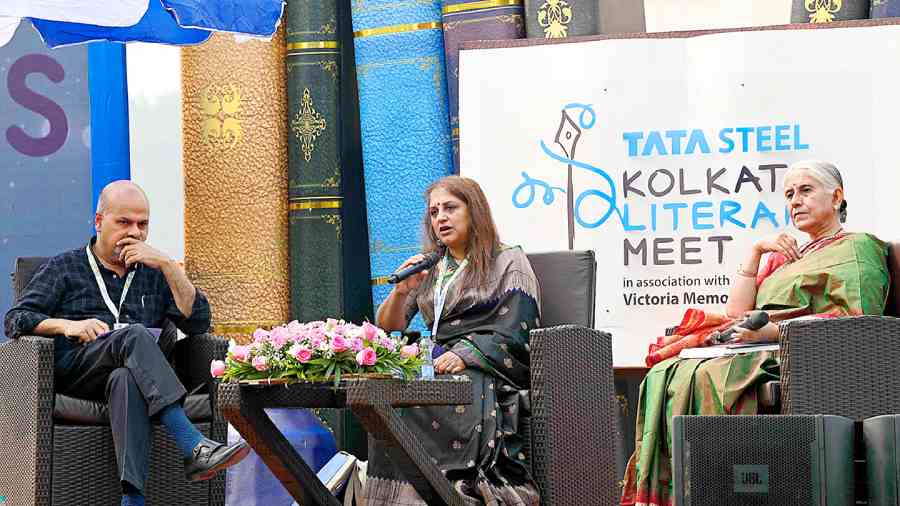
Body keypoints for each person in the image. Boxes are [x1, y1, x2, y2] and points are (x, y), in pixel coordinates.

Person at [621, 160, 891, 506]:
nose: (795, 201)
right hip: (757, 345)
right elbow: (736, 313)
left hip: (804, 358)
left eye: (805, 191)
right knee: (666, 372)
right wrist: (756, 252)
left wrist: (772, 332)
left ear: (837, 196)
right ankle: (683, 495)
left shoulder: (857, 249)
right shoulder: (787, 256)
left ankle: (722, 492)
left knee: (710, 376)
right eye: (789, 194)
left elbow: (857, 323)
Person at [3, 181, 249, 506]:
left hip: (134, 380)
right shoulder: (66, 267)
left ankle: (133, 500)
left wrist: (166, 266)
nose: (134, 232)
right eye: (124, 222)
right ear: (99, 221)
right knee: (132, 335)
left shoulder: (153, 272)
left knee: (127, 377)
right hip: (78, 372)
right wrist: (68, 325)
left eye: (142, 224)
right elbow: (16, 319)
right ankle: (192, 444)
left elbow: (198, 321)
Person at [369, 176, 541, 505]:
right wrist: (400, 291)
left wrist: (467, 353)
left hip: (487, 365)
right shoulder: (431, 266)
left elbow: (518, 328)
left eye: (450, 208)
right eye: (434, 212)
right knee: (386, 392)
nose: (441, 218)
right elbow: (389, 324)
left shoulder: (508, 260)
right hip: (436, 362)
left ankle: (452, 488)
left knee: (441, 388)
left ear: (473, 211)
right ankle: (397, 496)